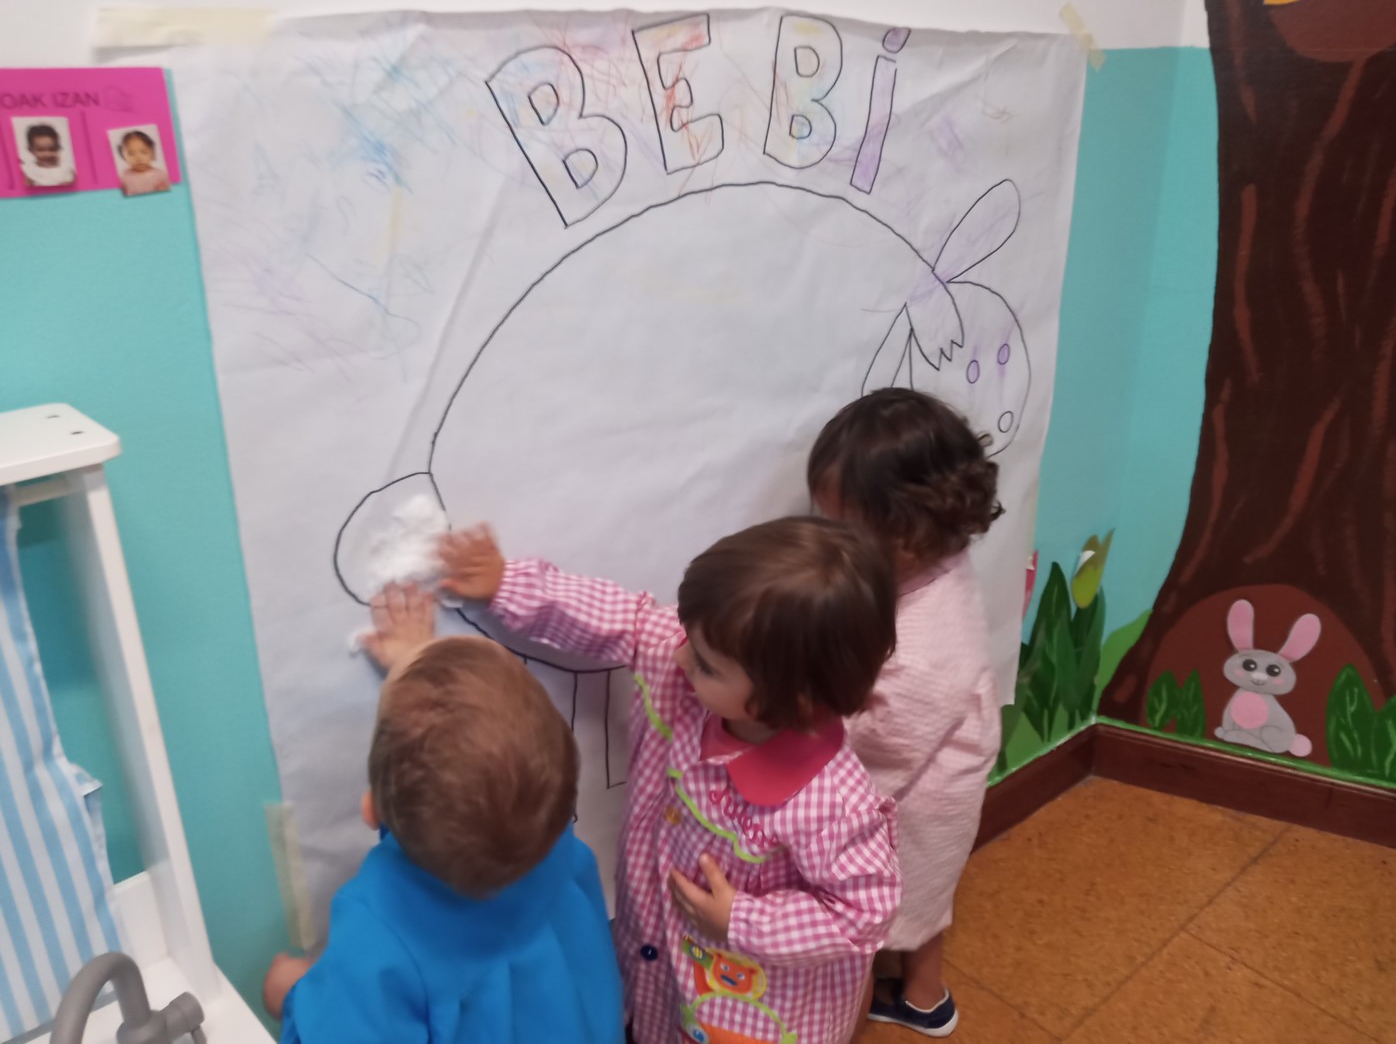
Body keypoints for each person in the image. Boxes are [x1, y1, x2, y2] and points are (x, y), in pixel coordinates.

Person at [438, 516, 902, 1044]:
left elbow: (864, 911)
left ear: (782, 701)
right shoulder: (688, 656)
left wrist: (743, 920)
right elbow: (623, 621)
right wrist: (506, 585)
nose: (677, 656)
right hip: (662, 964)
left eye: (705, 665)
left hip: (753, 1003)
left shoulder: (832, 801)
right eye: (687, 635)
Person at [263, 586, 625, 1043]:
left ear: (371, 809)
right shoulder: (544, 839)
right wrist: (417, 661)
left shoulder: (379, 928)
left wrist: (295, 999)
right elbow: (475, 771)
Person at [809, 388, 1003, 1038]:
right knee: (924, 896)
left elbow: (886, 740)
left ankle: (845, 1013)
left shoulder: (927, 643)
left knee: (877, 904)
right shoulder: (936, 562)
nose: (831, 539)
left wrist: (812, 736)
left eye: (845, 528)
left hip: (922, 790)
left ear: (908, 534)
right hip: (939, 761)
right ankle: (925, 996)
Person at [116, 130, 170, 196]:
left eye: (144, 152)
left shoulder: (161, 175)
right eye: (131, 153)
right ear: (123, 156)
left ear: (152, 153)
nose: (139, 158)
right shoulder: (124, 177)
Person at [20, 123, 74, 188]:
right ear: (31, 150)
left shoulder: (65, 167)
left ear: (58, 148)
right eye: (41, 150)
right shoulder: (30, 172)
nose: (47, 154)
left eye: (52, 149)